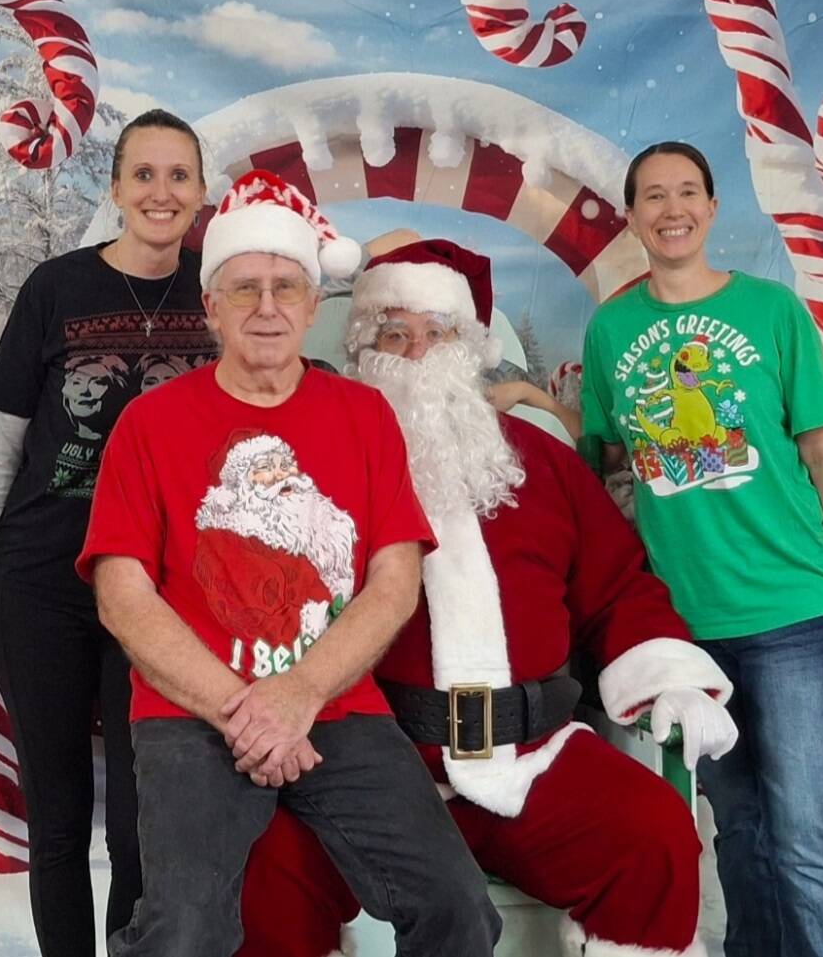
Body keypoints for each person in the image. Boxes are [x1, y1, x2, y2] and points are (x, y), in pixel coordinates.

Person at [239, 237, 739, 957]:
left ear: (467, 348)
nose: (413, 353)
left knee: (652, 831)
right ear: (361, 349)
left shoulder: (540, 464)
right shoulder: (311, 467)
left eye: (434, 333)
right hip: (368, 769)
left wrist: (669, 679)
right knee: (269, 863)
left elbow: (617, 585)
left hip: (531, 758)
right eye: (392, 334)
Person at [78, 172, 502, 957]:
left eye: (285, 287)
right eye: (243, 289)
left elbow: (393, 577)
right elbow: (123, 595)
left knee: (458, 908)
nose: (266, 307)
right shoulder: (151, 424)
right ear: (210, 305)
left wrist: (301, 691)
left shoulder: (362, 415)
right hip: (189, 712)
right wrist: (250, 709)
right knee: (183, 931)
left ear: (314, 305)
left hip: (337, 706)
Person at [580, 142, 823, 957]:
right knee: (739, 828)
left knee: (798, 833)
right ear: (633, 214)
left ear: (712, 208)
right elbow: (603, 464)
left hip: (791, 607)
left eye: (687, 191)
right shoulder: (612, 328)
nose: (671, 208)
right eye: (652, 195)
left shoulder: (772, 311)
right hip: (685, 625)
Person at [0, 109, 216, 957]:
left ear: (203, 192)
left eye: (179, 175)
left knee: (142, 823)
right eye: (144, 174)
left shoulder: (220, 293)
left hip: (159, 589)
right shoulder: (55, 287)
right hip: (41, 582)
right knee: (57, 817)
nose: (160, 192)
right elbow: (1, 446)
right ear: (116, 188)